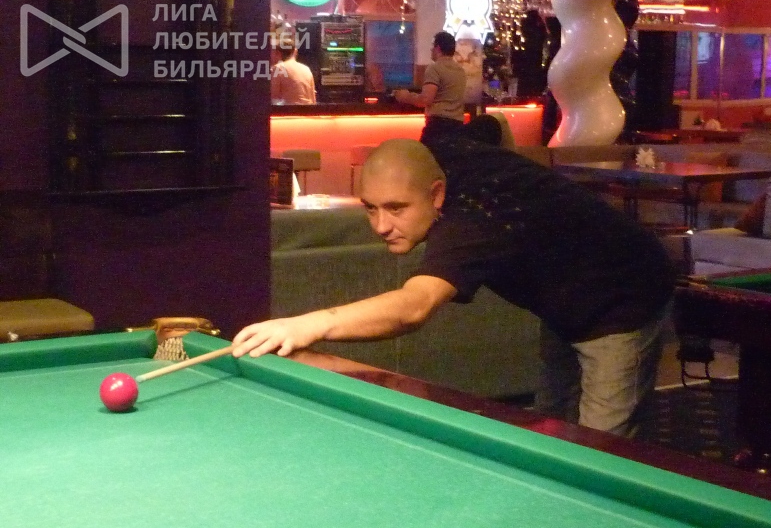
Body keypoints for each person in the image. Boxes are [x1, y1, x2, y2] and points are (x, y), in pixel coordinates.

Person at [233, 137, 676, 437]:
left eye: (396, 208)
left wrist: (305, 325)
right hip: (562, 295)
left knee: (600, 446)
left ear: (437, 194)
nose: (381, 226)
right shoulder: (441, 154)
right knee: (552, 423)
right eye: (370, 208)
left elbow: (413, 308)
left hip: (624, 297)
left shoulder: (471, 224)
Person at [393, 31, 466, 144]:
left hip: (438, 126)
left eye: (432, 45)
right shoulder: (460, 71)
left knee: (422, 154)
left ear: (438, 48)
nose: (431, 49)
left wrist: (405, 96)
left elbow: (425, 100)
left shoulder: (434, 68)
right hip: (458, 126)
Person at [271, 35, 316, 105]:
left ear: (278, 53)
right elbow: (313, 99)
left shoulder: (278, 68)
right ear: (295, 52)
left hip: (289, 110)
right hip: (308, 110)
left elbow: (274, 98)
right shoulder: (306, 69)